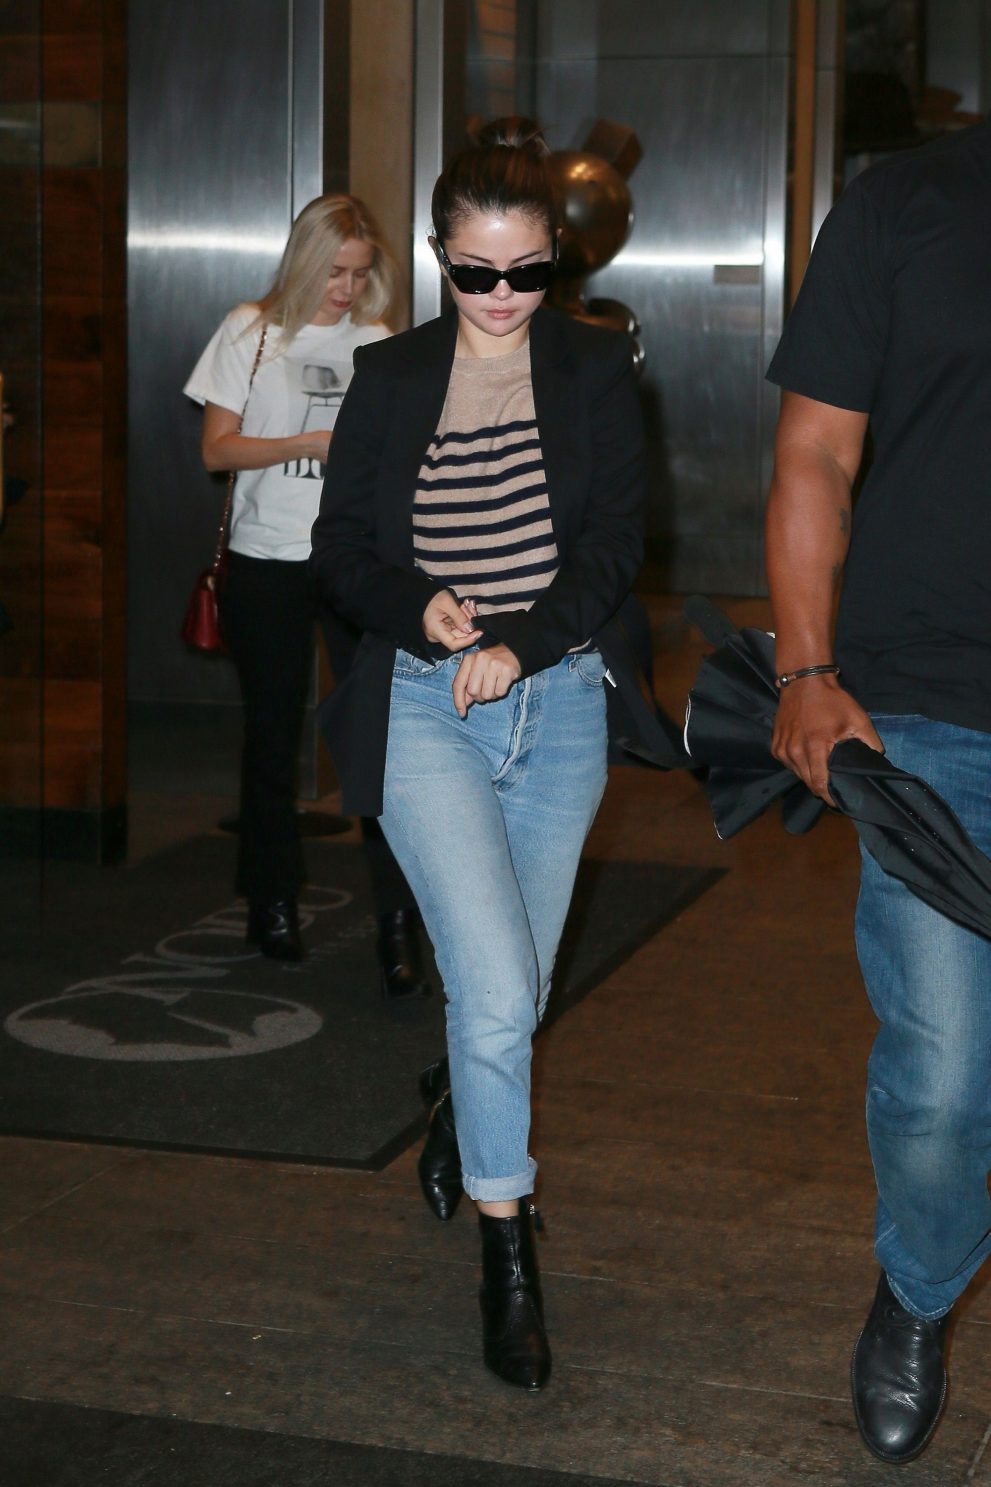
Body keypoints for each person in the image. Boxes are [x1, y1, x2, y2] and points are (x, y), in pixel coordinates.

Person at [310, 118, 667, 1390]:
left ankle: (462, 1104)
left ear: (554, 259)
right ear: (439, 257)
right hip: (423, 709)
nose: (503, 295)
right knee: (503, 991)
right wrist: (423, 609)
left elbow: (616, 543)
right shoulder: (393, 375)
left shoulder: (593, 364)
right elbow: (340, 549)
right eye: (476, 273)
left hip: (558, 703)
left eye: (526, 271)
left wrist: (520, 640)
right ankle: (508, 1252)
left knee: (508, 989)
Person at [765, 116, 991, 1464]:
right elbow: (814, 452)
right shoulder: (904, 203)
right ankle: (918, 1284)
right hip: (926, 714)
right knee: (944, 1077)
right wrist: (804, 666)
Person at [184, 194, 428, 987]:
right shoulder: (249, 331)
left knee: (377, 742)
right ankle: (271, 900)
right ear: (303, 263)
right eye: (332, 272)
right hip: (267, 558)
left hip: (356, 562)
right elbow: (216, 451)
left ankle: (398, 920)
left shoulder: (377, 340)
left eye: (358, 274)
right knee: (271, 736)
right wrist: (312, 443)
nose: (345, 289)